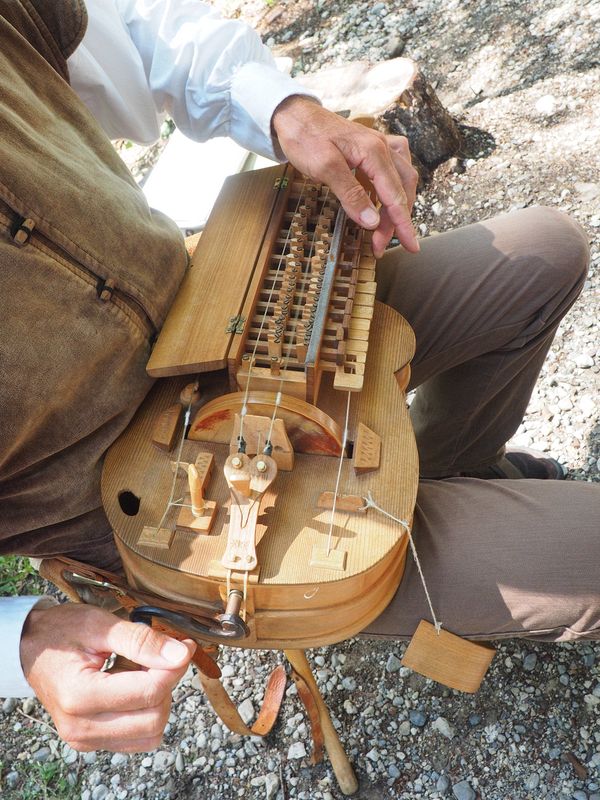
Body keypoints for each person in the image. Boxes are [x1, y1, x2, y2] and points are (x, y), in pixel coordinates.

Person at [0, 0, 597, 756]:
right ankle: (428, 538)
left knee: (544, 252)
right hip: (120, 497)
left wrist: (284, 109)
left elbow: (141, 41)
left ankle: (444, 473)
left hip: (220, 306)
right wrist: (23, 642)